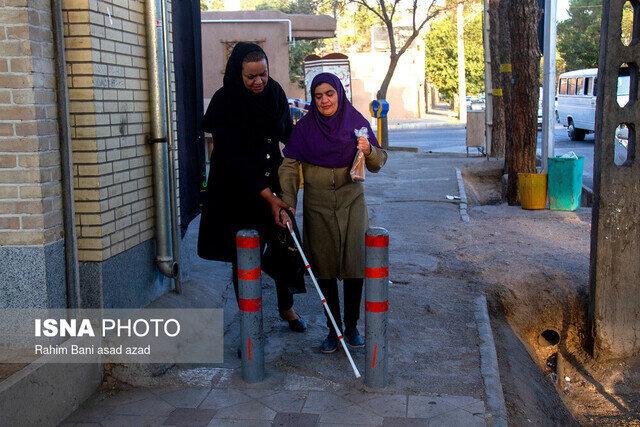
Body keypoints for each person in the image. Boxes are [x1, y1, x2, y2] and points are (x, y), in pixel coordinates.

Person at [198, 42, 306, 332]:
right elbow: (237, 161)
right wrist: (270, 198)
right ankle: (250, 321)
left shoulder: (275, 93)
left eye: (263, 74)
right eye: (251, 77)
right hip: (236, 190)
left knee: (285, 244)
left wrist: (310, 154)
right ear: (238, 74)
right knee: (245, 255)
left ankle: (286, 307)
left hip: (271, 179)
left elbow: (288, 135)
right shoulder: (226, 102)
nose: (259, 82)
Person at [278, 72, 387, 353]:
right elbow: (289, 166)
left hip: (353, 204)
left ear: (339, 93)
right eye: (318, 96)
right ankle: (333, 330)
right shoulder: (304, 129)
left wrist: (369, 150)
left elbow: (379, 161)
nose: (324, 100)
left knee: (354, 266)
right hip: (317, 207)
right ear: (313, 99)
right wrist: (287, 203)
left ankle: (351, 327)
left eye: (330, 94)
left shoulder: (356, 124)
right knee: (323, 269)